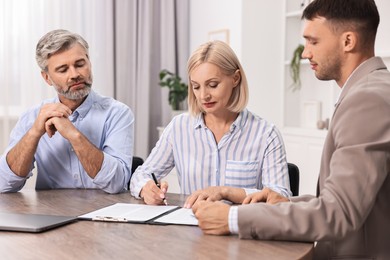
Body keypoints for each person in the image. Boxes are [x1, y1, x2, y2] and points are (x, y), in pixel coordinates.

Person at [192, 0, 390, 259]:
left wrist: (233, 218)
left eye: (313, 41)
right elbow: (343, 200)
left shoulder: (367, 101)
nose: (305, 53)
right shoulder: (370, 90)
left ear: (348, 41)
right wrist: (281, 204)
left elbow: (339, 212)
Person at [130, 40, 291, 206]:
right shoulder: (179, 128)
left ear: (235, 78)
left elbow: (280, 197)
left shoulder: (266, 134)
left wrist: (225, 191)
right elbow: (140, 175)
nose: (203, 96)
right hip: (187, 227)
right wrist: (146, 189)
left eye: (213, 85)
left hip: (239, 228)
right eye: (196, 87)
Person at [0, 29, 134, 194]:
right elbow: (4, 184)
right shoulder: (33, 117)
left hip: (104, 213)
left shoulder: (117, 113)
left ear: (89, 63)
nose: (75, 74)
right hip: (50, 216)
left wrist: (73, 135)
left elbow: (117, 184)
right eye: (63, 70)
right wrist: (34, 133)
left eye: (80, 64)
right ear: (47, 78)